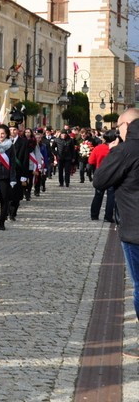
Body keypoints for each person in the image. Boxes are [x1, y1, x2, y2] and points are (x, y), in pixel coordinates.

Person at [93, 108, 139, 356]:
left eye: (119, 125)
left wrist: (113, 155)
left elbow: (100, 180)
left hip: (134, 228)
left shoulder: (124, 150)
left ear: (126, 126)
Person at [90, 130, 119, 222]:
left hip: (100, 173)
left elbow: (91, 161)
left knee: (98, 194)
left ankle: (94, 215)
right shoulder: (117, 149)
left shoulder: (98, 148)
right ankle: (108, 216)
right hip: (112, 174)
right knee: (111, 196)